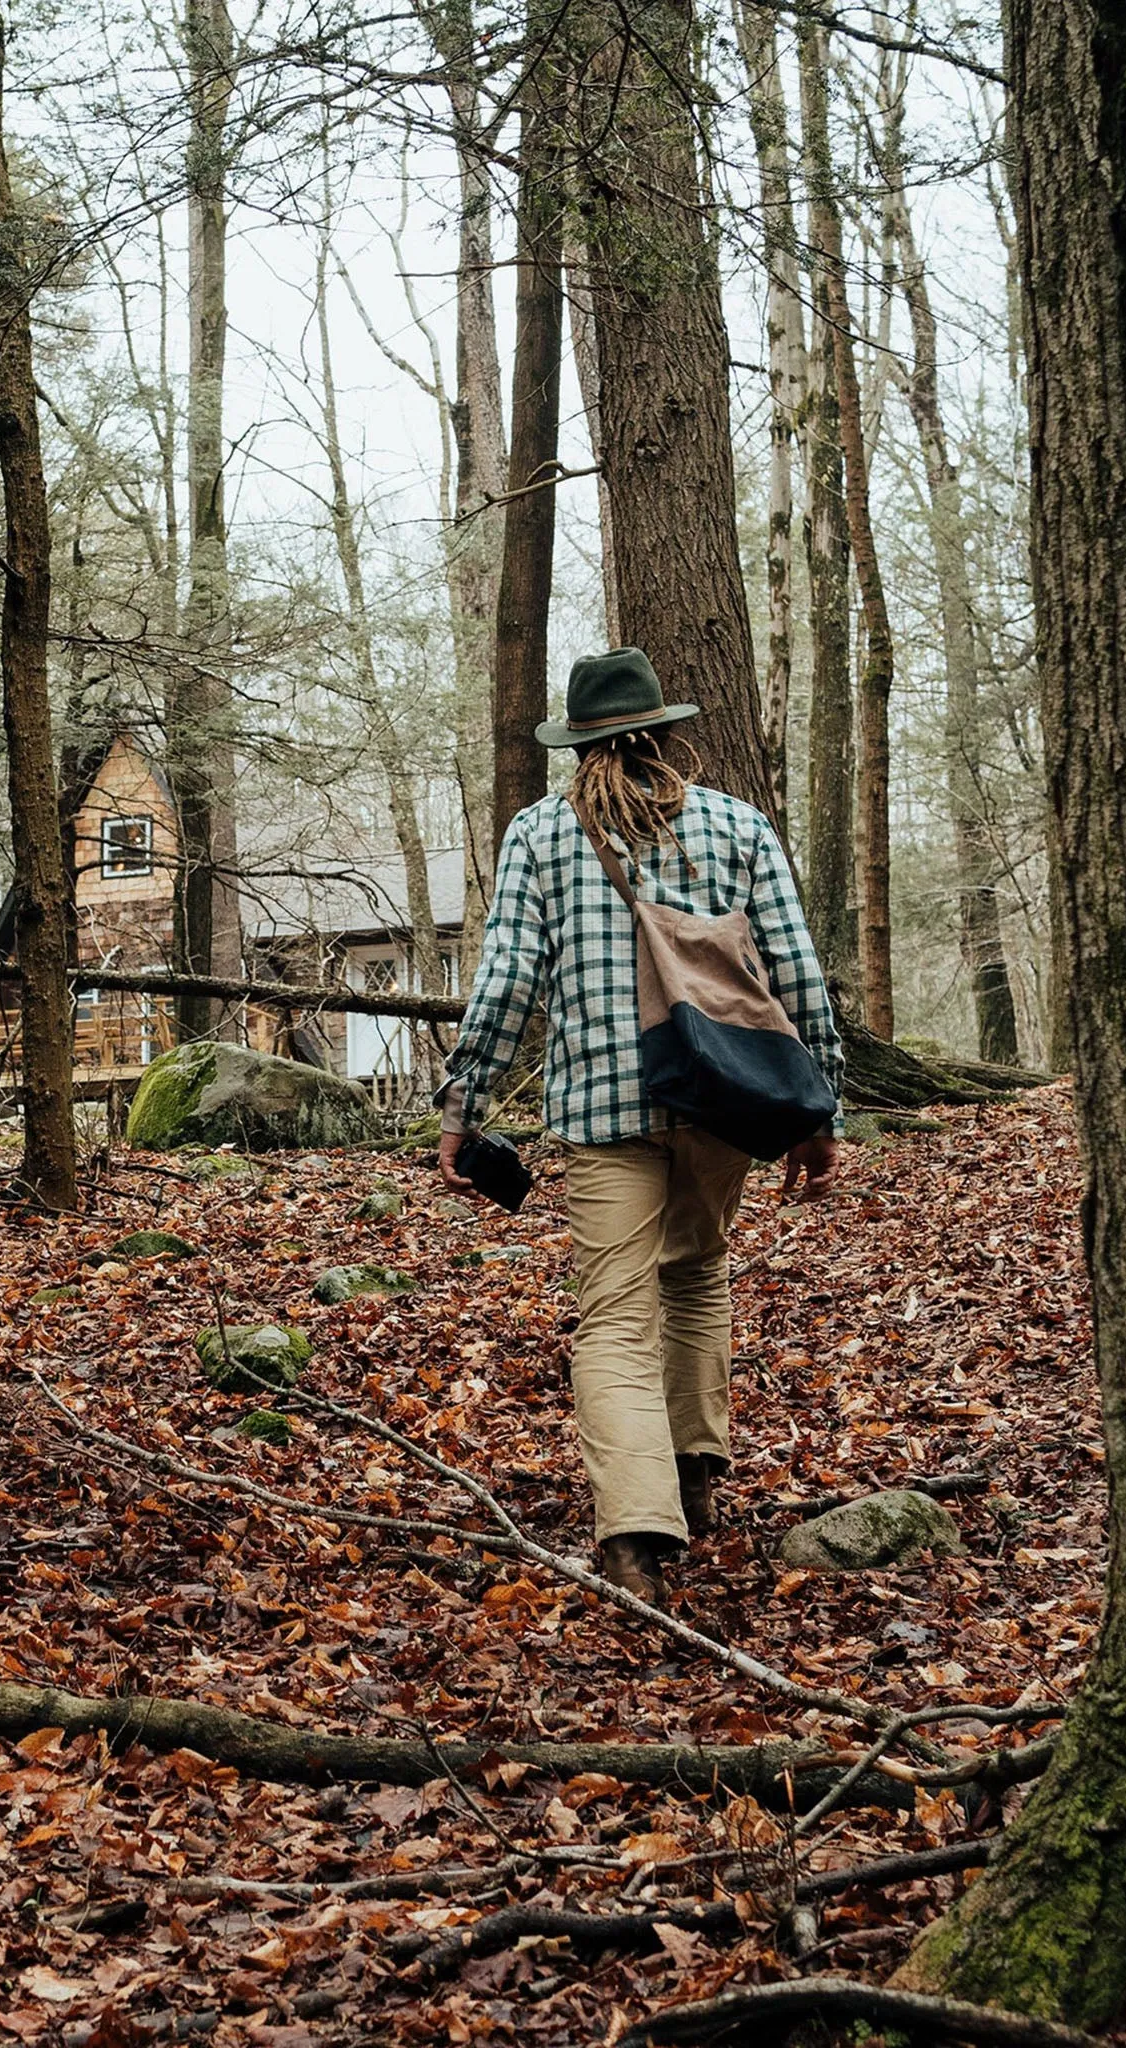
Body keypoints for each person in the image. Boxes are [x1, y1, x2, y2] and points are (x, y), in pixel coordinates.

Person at [434, 648, 843, 1607]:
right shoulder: (736, 827)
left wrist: (463, 1107)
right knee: (698, 1274)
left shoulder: (540, 835)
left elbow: (505, 988)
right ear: (665, 729)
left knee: (613, 1315)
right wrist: (819, 1109)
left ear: (578, 745)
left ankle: (634, 1534)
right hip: (723, 1098)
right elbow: (797, 973)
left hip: (602, 1108)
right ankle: (694, 1476)